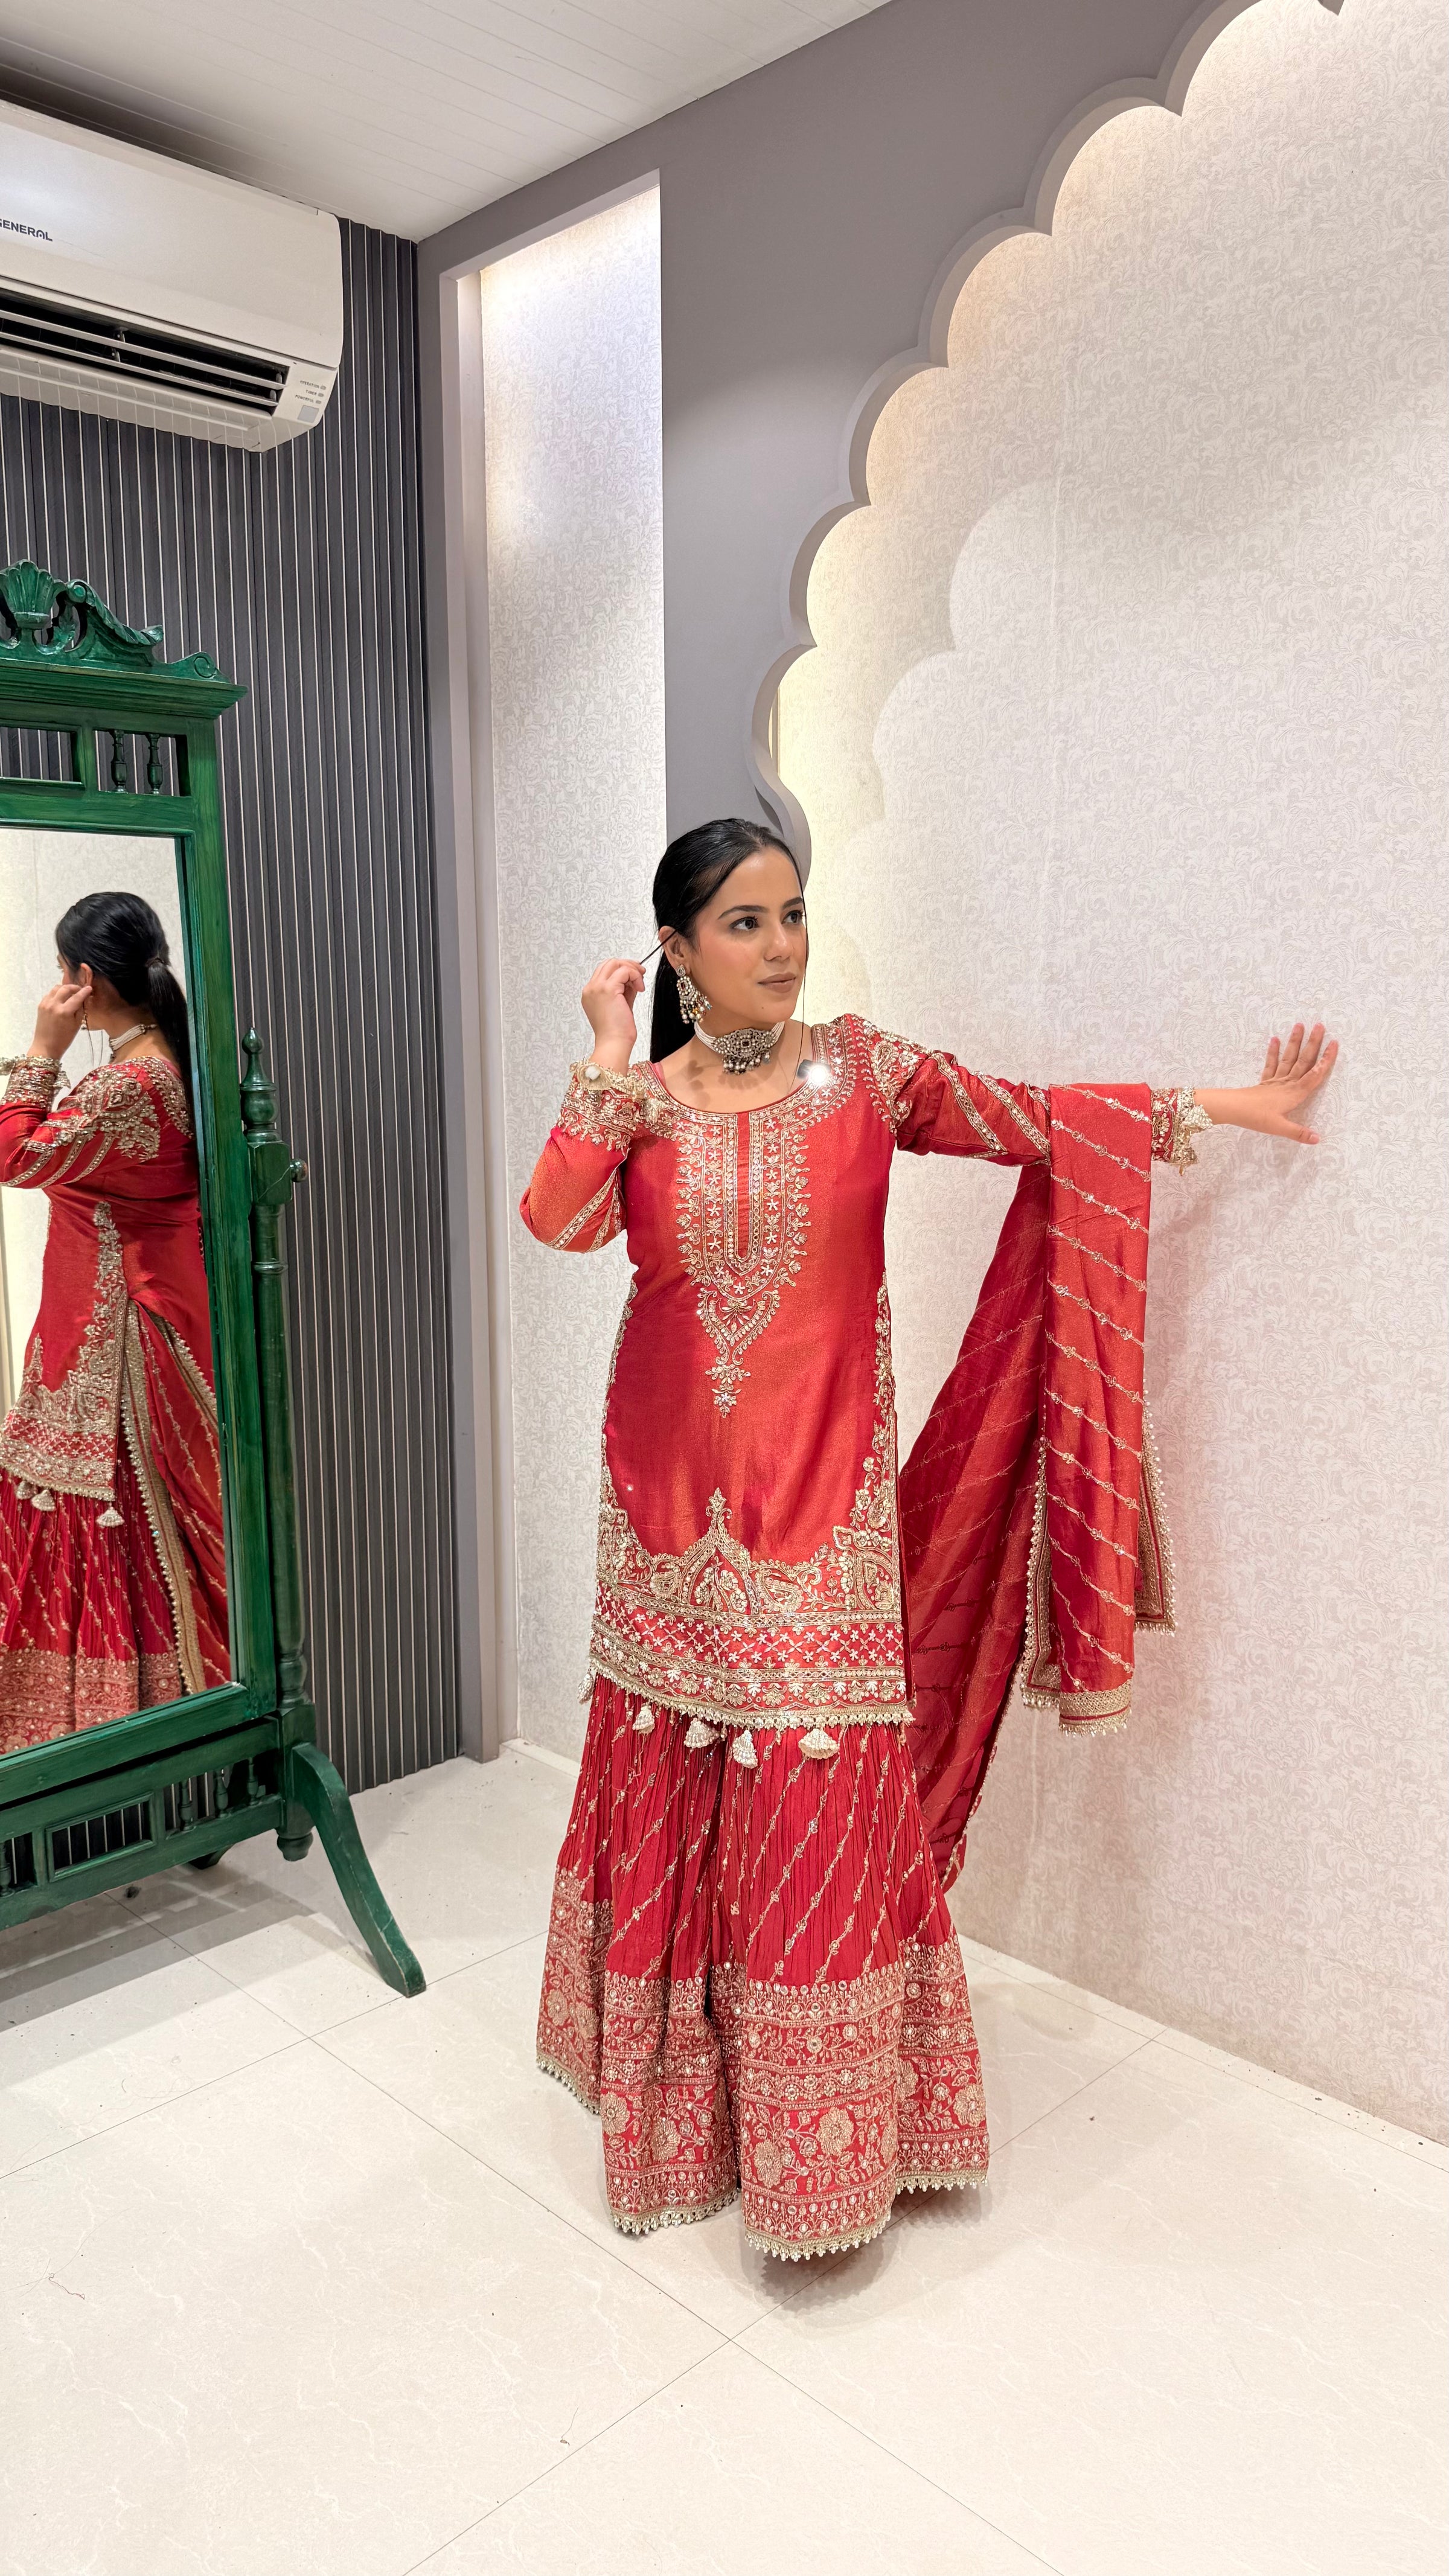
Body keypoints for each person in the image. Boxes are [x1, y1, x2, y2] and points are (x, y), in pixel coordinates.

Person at [520, 819, 1337, 2261]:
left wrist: (1235, 1106)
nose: (784, 946)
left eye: (793, 914)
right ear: (677, 948)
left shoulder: (865, 1071)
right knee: (673, 1790)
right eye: (747, 923)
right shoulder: (635, 1100)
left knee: (812, 1805)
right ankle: (682, 2126)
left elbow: (1047, 1119)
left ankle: (824, 2154)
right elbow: (557, 1218)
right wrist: (602, 1048)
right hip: (659, 1518)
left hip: (821, 1524)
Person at [0, 892, 227, 1755]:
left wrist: (41, 1052)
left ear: (85, 978)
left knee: (118, 1527)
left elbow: (11, 1156)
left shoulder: (131, 1086)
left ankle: (110, 1738)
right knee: (132, 1537)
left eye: (64, 970)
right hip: (133, 1318)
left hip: (115, 1340)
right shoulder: (174, 1065)